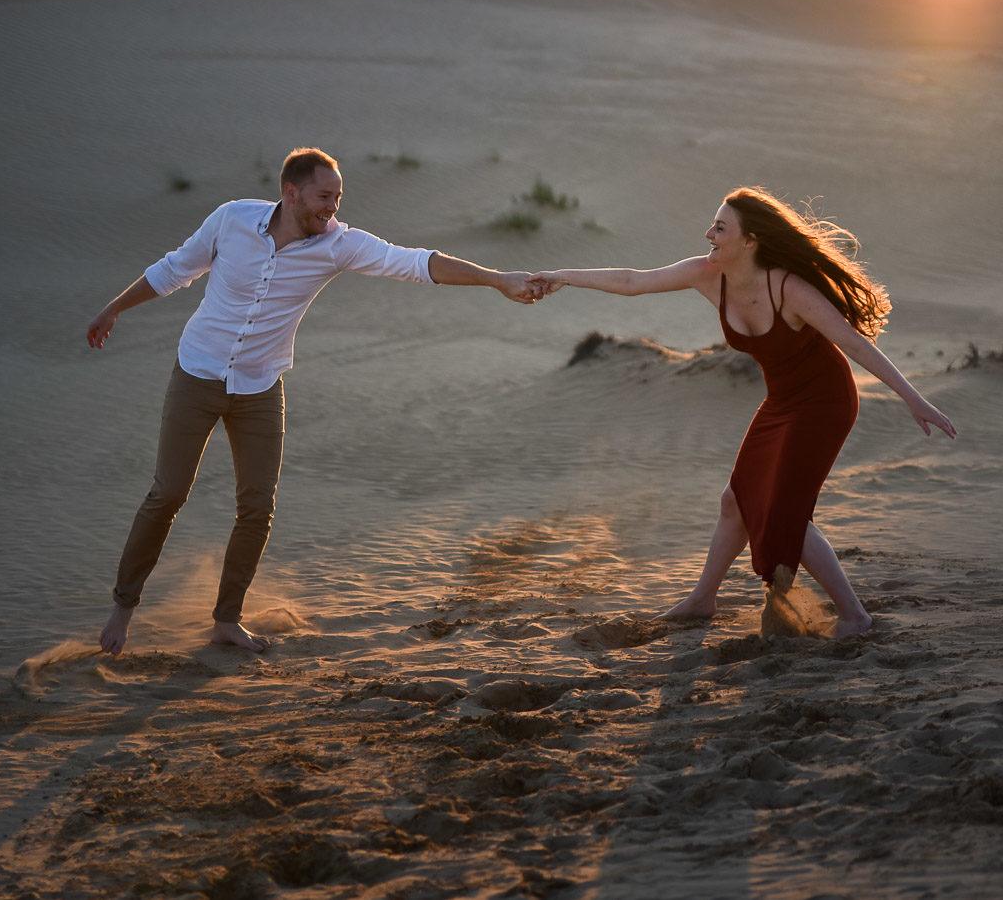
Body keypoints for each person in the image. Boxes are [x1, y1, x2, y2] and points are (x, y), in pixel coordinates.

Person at [87, 146, 544, 654]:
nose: (333, 208)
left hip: (261, 387)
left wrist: (498, 279)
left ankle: (225, 621)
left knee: (257, 507)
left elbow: (418, 263)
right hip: (197, 374)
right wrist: (114, 309)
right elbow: (174, 270)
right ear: (291, 193)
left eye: (338, 198)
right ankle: (122, 609)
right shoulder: (231, 219)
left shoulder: (338, 245)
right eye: (324, 197)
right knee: (168, 494)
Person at [533, 187, 955, 638]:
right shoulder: (706, 274)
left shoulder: (788, 288)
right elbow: (633, 281)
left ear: (750, 241)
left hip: (825, 402)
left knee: (782, 512)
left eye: (720, 228)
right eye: (713, 224)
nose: (708, 234)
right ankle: (703, 599)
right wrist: (560, 276)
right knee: (735, 501)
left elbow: (852, 343)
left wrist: (913, 398)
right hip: (781, 401)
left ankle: (856, 616)